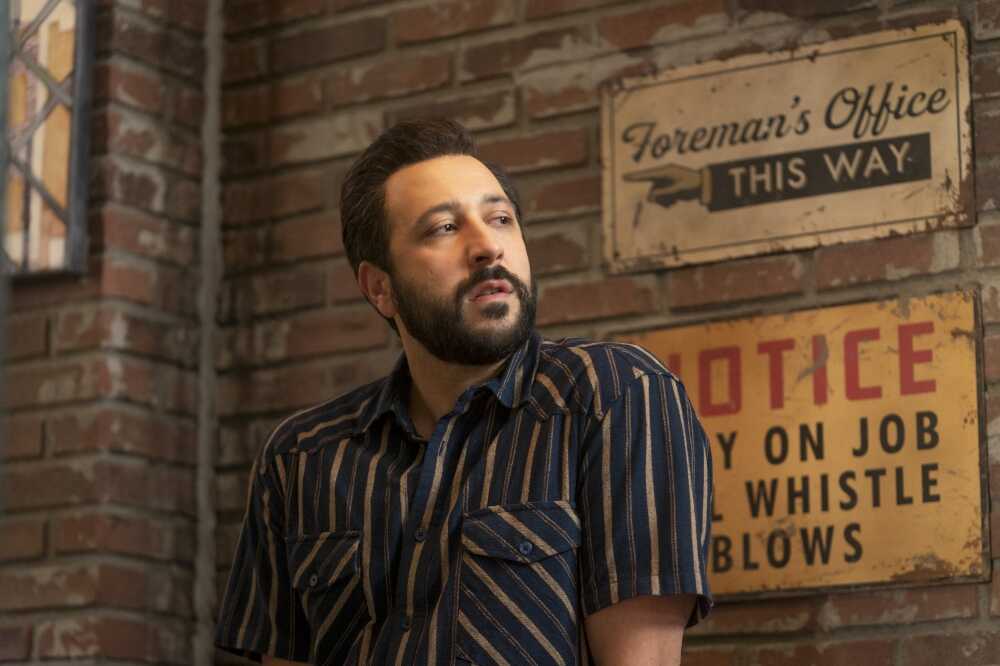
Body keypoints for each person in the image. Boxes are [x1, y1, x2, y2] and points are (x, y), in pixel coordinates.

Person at [215, 119, 713, 666]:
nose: (487, 246)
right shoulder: (300, 456)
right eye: (445, 228)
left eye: (501, 219)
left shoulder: (617, 395)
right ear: (380, 288)